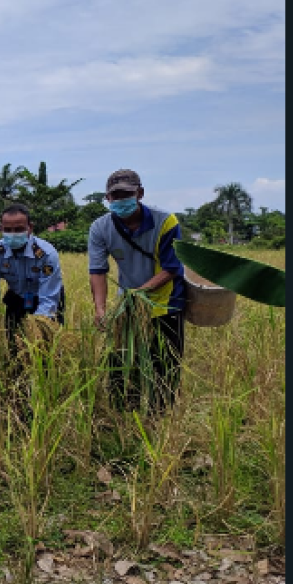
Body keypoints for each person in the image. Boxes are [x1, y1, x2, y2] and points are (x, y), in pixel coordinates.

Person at [88, 168, 187, 411]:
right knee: (122, 363)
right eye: (115, 196)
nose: (120, 200)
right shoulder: (100, 228)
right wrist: (100, 309)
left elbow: (172, 267)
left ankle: (160, 416)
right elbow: (98, 271)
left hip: (166, 303)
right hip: (128, 305)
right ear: (107, 199)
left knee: (164, 363)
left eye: (126, 194)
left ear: (140, 193)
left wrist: (139, 292)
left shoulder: (166, 222)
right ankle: (124, 415)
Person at [0, 203, 66, 349]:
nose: (13, 234)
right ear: (1, 229)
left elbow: (49, 296)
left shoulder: (46, 254)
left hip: (44, 298)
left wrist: (38, 325)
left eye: (19, 229)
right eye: (8, 230)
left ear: (29, 228)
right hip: (17, 298)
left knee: (46, 348)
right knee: (15, 348)